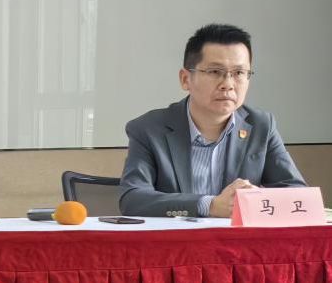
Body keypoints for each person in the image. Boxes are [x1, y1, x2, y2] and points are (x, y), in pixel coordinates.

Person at [119, 23, 304, 218]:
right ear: (185, 79)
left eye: (239, 73)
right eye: (215, 72)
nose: (228, 84)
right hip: (178, 237)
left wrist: (256, 199)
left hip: (237, 238)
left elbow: (298, 195)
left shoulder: (261, 126)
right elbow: (133, 199)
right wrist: (209, 205)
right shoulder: (148, 129)